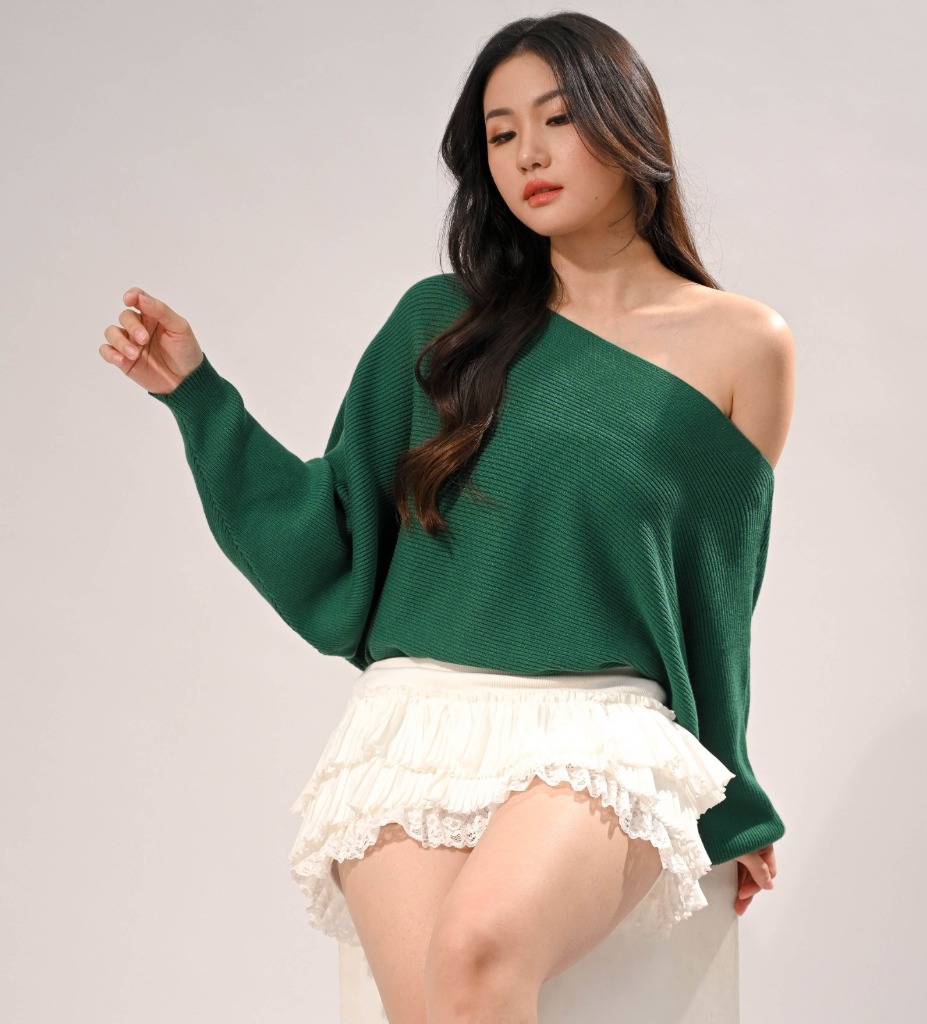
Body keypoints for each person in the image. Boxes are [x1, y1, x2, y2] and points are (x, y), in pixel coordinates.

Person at [99, 11, 794, 1023]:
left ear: (627, 123)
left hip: (601, 724)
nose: (528, 155)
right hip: (416, 722)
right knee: (433, 1001)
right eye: (501, 134)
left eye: (557, 119)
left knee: (476, 951)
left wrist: (735, 793)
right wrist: (198, 397)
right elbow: (331, 531)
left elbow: (717, 593)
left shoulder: (743, 345)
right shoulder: (440, 323)